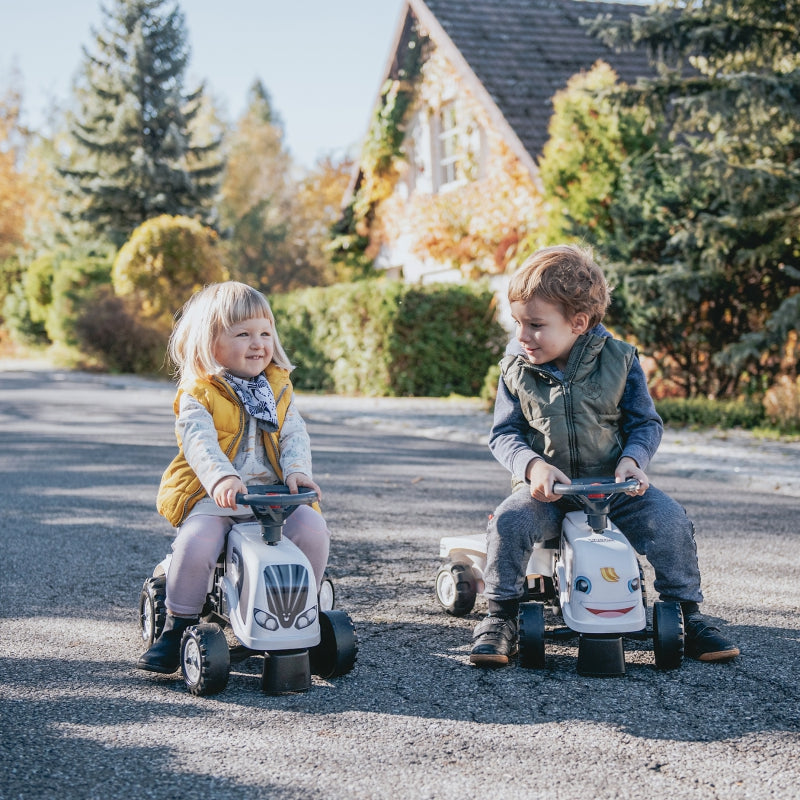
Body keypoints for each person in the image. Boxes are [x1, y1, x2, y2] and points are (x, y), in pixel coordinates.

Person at [470, 244, 739, 667]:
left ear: (578, 322)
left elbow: (645, 423)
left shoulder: (621, 361)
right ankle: (501, 616)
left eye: (536, 325)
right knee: (508, 521)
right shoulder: (515, 368)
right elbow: (504, 434)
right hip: (551, 491)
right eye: (518, 322)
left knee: (670, 521)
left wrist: (634, 460)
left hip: (616, 487)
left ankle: (688, 613)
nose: (522, 336)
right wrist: (532, 465)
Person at [138, 281, 330, 674]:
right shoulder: (200, 393)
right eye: (242, 334)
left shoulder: (277, 387)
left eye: (264, 332)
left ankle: (299, 610)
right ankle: (179, 624)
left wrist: (297, 473)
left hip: (272, 494)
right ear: (210, 344)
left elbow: (293, 434)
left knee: (312, 527)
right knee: (197, 541)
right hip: (216, 496)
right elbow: (199, 442)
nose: (258, 343)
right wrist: (222, 478)